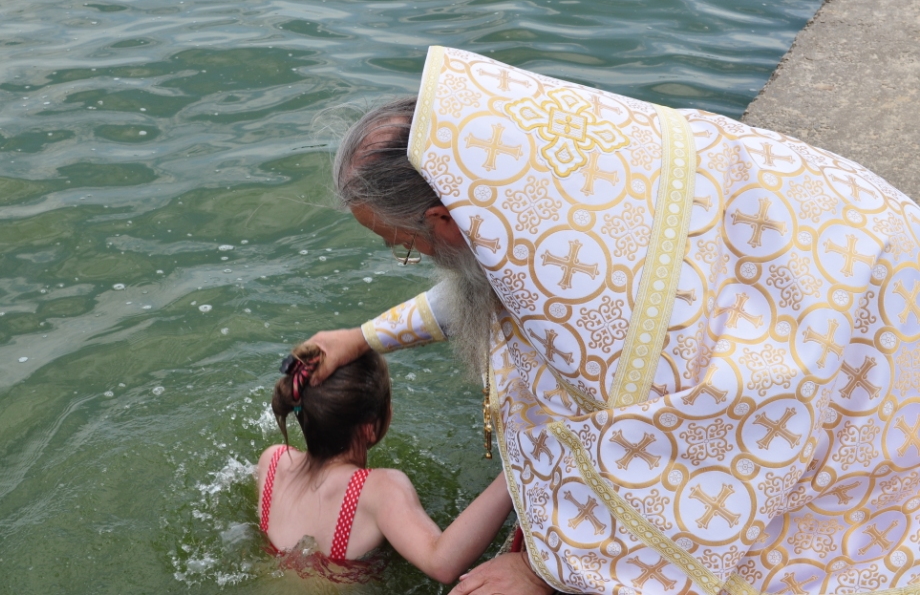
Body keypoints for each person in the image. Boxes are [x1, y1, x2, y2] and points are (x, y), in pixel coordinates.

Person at [304, 46, 920, 594]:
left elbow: (669, 462)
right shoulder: (532, 180)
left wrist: (546, 571)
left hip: (875, 333)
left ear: (445, 219)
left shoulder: (612, 309)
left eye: (405, 246)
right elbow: (488, 284)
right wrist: (361, 337)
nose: (413, 258)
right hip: (857, 236)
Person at [257, 342, 515, 586]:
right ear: (370, 428)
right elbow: (442, 563)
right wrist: (516, 470)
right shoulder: (378, 490)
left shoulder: (273, 461)